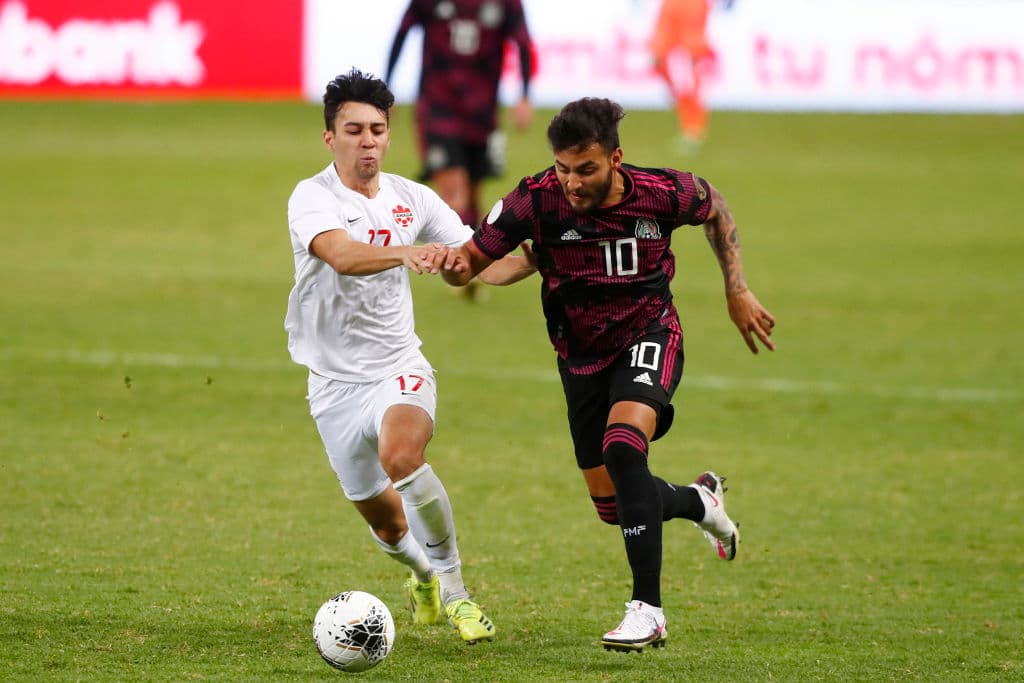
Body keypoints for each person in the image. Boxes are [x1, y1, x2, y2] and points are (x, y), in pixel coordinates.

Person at [423, 97, 776, 651]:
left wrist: (737, 288)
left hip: (650, 334)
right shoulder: (534, 199)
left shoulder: (661, 192)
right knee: (614, 505)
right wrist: (453, 266)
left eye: (585, 169)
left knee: (623, 447)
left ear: (615, 158)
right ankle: (698, 502)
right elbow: (472, 265)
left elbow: (716, 207)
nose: (572, 182)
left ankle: (648, 611)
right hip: (580, 358)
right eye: (563, 168)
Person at [284, 68, 534, 645]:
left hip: (398, 366)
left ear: (389, 135)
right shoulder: (312, 196)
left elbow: (472, 265)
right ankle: (422, 574)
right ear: (330, 138)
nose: (367, 142)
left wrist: (536, 258)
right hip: (332, 384)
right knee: (388, 523)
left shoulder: (414, 198)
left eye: (377, 130)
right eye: (354, 130)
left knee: (402, 456)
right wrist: (406, 253)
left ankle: (457, 592)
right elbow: (341, 256)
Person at [385, 0, 534, 230]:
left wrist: (524, 95)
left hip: (482, 115)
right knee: (455, 198)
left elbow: (523, 42)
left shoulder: (506, 3)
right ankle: (458, 251)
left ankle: (471, 252)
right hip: (438, 110)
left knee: (472, 200)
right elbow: (403, 31)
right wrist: (388, 85)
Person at [649, 0, 714, 151]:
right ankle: (691, 129)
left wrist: (693, 50)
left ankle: (693, 130)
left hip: (683, 51)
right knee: (684, 90)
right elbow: (665, 26)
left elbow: (690, 25)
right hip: (678, 50)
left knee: (687, 89)